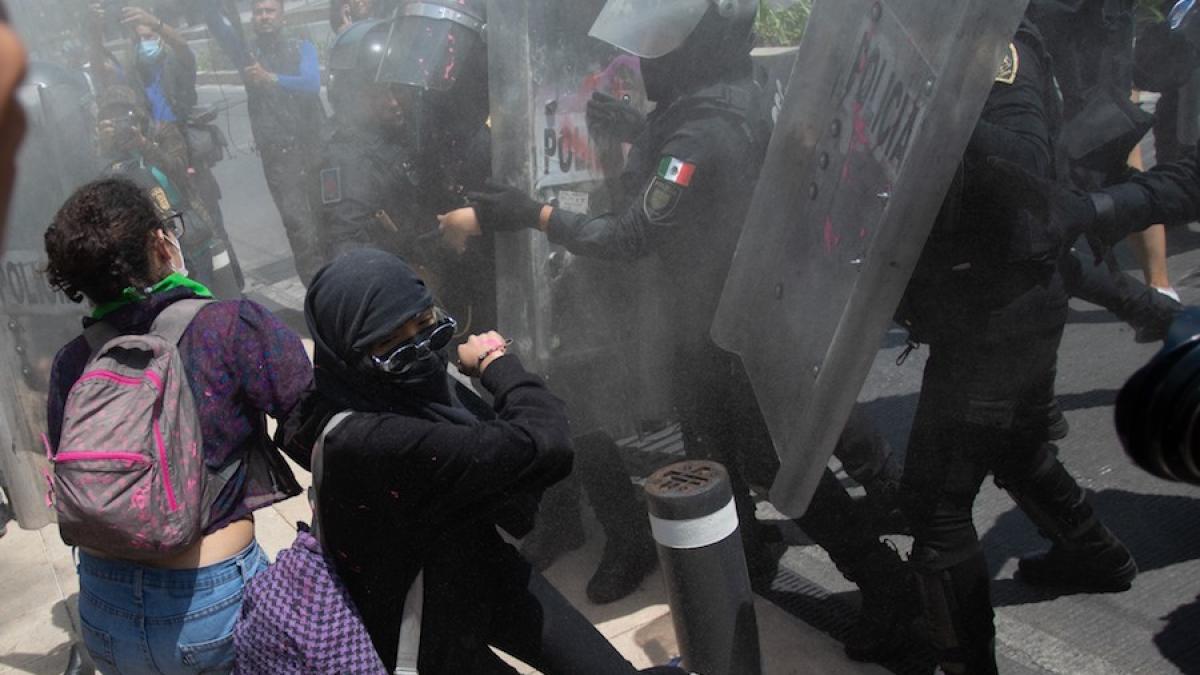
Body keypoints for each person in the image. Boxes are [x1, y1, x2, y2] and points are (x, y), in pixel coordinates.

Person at [443, 0, 912, 661]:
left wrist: (532, 212)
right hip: (718, 317)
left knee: (773, 464)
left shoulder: (698, 133)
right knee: (715, 447)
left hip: (728, 325)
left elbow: (635, 231)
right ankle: (743, 556)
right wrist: (637, 127)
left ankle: (889, 588)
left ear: (697, 51)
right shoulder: (729, 98)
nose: (649, 65)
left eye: (662, 53)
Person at [280, 248, 688, 675]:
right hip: (420, 624)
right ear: (347, 353)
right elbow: (544, 443)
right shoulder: (366, 442)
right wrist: (498, 363)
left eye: (430, 329)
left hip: (481, 567)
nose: (422, 354)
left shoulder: (382, 392)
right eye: (392, 347)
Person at [895, 20, 1137, 674]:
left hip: (999, 311)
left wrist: (942, 101)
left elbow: (1026, 161)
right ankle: (1095, 554)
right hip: (997, 300)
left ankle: (967, 663)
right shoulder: (938, 42)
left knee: (936, 500)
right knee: (1018, 446)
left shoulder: (993, 50)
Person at [42, 177, 312, 674]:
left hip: (104, 615)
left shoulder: (71, 363)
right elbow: (318, 430)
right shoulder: (230, 325)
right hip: (212, 610)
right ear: (158, 244)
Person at [205, 0, 325, 284]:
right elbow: (215, 22)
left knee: (329, 219)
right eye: (259, 12)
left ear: (282, 16)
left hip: (316, 149)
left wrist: (270, 78)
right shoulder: (247, 53)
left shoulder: (301, 44)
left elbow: (310, 82)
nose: (264, 17)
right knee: (298, 228)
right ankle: (318, 291)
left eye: (270, 11)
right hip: (278, 157)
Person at [95, 84, 240, 299]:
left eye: (126, 116)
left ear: (138, 112)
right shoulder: (106, 152)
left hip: (188, 233)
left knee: (205, 297)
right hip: (149, 244)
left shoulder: (162, 132)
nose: (122, 125)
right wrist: (105, 147)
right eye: (113, 120)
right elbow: (97, 192)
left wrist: (145, 145)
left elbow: (179, 169)